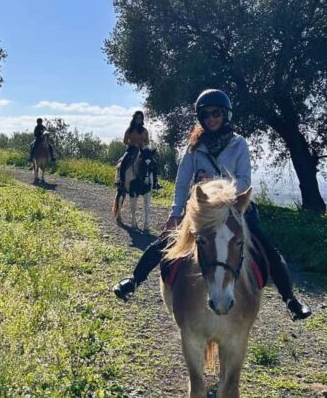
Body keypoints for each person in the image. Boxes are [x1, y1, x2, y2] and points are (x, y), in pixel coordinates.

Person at [111, 89, 312, 320]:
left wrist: (219, 190)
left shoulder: (239, 144)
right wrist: (176, 213)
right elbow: (182, 181)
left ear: (226, 114)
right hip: (202, 208)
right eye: (205, 115)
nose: (211, 119)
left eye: (216, 113)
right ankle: (135, 280)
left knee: (266, 247)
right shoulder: (194, 147)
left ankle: (290, 300)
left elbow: (245, 179)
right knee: (165, 241)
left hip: (235, 207)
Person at [115, 111, 161, 190]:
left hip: (143, 149)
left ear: (142, 119)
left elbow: (147, 141)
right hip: (131, 149)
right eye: (137, 117)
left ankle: (155, 182)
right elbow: (125, 141)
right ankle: (121, 181)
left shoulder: (145, 131)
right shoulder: (129, 130)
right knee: (123, 161)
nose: (138, 119)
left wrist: (143, 144)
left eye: (140, 118)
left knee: (153, 162)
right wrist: (133, 144)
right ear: (134, 118)